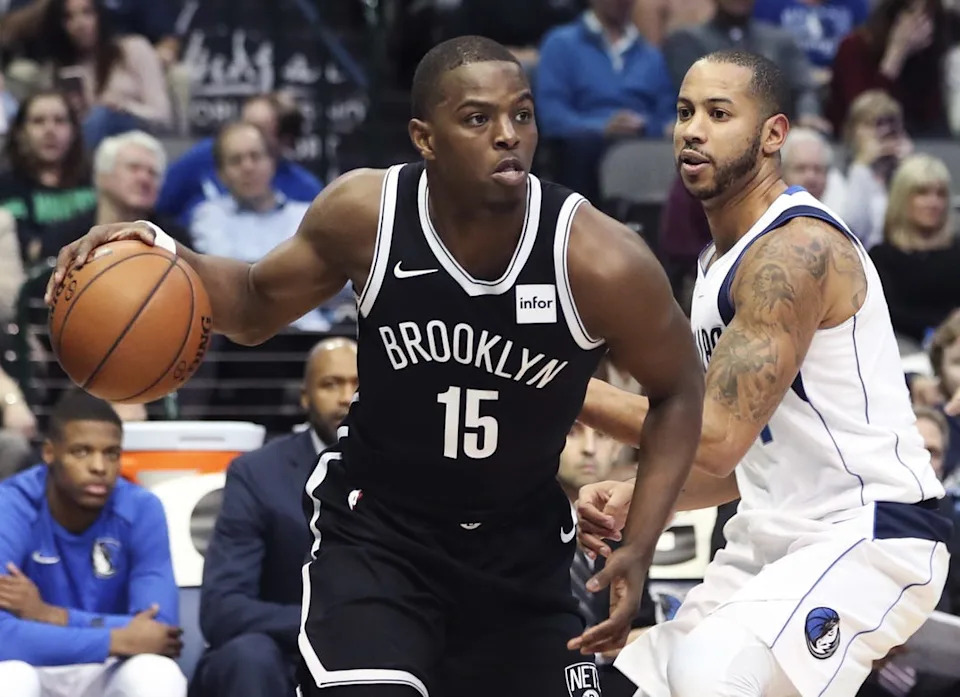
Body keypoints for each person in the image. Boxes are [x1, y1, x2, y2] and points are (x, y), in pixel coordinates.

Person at [47, 35, 706, 697]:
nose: (508, 135)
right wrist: (160, 250)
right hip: (381, 537)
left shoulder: (598, 257)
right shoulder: (368, 214)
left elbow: (680, 388)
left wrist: (641, 541)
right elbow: (251, 304)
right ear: (425, 136)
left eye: (522, 114)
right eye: (478, 118)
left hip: (520, 551)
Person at [571, 50, 950, 697]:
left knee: (713, 677)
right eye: (686, 112)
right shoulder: (716, 266)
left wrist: (556, 379)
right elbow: (735, 460)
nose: (693, 129)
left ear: (774, 133)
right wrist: (643, 491)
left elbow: (713, 434)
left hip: (869, 532)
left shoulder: (797, 250)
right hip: (770, 538)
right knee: (616, 686)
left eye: (719, 113)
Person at [191, 338, 358, 697]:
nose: (346, 397)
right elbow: (222, 609)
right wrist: (323, 625)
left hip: (374, 655)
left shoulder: (408, 473)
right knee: (249, 656)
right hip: (281, 657)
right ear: (305, 397)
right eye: (331, 384)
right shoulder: (258, 474)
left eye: (359, 385)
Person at [0, 390, 185, 696]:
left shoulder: (141, 507)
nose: (99, 466)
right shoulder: (11, 505)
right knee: (9, 680)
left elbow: (160, 632)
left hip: (107, 667)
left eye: (111, 453)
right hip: (31, 662)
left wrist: (50, 615)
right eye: (81, 452)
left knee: (157, 674)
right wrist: (116, 638)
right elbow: (3, 636)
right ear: (50, 453)